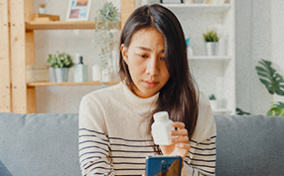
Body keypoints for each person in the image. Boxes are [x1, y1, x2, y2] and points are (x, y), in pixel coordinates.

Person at [78, 4, 216, 176]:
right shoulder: (96, 106)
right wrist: (162, 170)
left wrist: (176, 166)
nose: (153, 70)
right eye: (143, 56)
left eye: (164, 58)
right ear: (125, 54)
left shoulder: (198, 105)